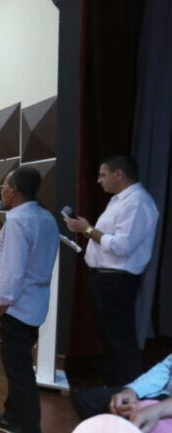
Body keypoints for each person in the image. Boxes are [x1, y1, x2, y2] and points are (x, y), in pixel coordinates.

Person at [0, 166, 59, 433]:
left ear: (15, 190)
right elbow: (14, 253)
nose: (1, 191)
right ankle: (12, 417)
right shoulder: (43, 217)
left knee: (21, 375)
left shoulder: (20, 222)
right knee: (19, 368)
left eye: (4, 186)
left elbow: (11, 275)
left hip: (15, 308)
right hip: (34, 305)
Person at [64, 154, 159, 386]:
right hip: (106, 278)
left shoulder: (137, 202)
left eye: (102, 174)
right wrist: (87, 229)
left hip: (117, 280)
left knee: (120, 339)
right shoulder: (120, 200)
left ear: (119, 174)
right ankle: (113, 388)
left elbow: (122, 246)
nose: (99, 180)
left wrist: (86, 229)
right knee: (110, 337)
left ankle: (129, 392)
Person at [72, 353, 172, 420]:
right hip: (160, 393)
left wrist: (158, 409)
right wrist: (133, 390)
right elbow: (166, 367)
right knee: (86, 400)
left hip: (166, 408)